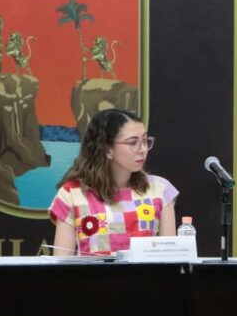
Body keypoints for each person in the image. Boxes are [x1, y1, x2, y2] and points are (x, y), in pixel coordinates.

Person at [48, 108, 178, 256]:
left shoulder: (160, 189)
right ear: (107, 149)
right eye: (133, 142)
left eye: (145, 140)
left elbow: (170, 260)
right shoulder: (72, 194)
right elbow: (61, 264)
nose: (143, 149)